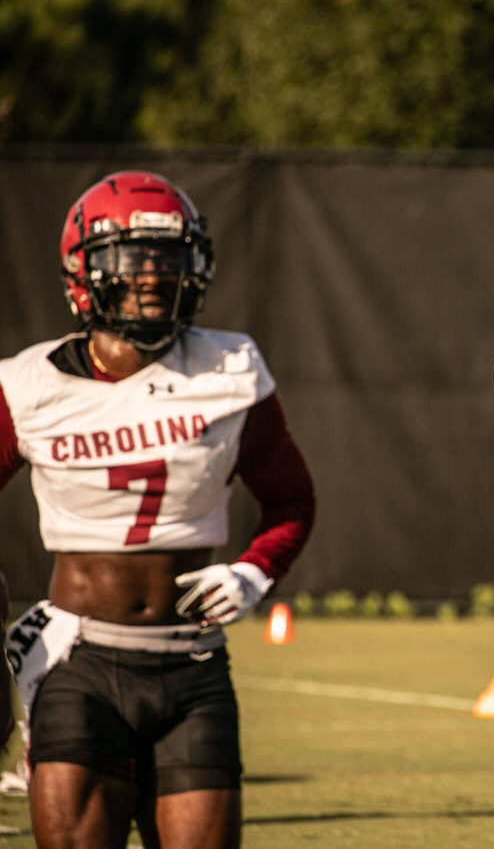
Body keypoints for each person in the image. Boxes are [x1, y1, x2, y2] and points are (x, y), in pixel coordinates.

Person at [0, 171, 316, 848]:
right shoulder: (28, 384)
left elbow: (291, 500)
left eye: (169, 262)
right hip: (76, 662)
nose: (152, 279)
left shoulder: (230, 368)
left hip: (192, 664)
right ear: (84, 274)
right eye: (134, 263)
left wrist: (254, 573)